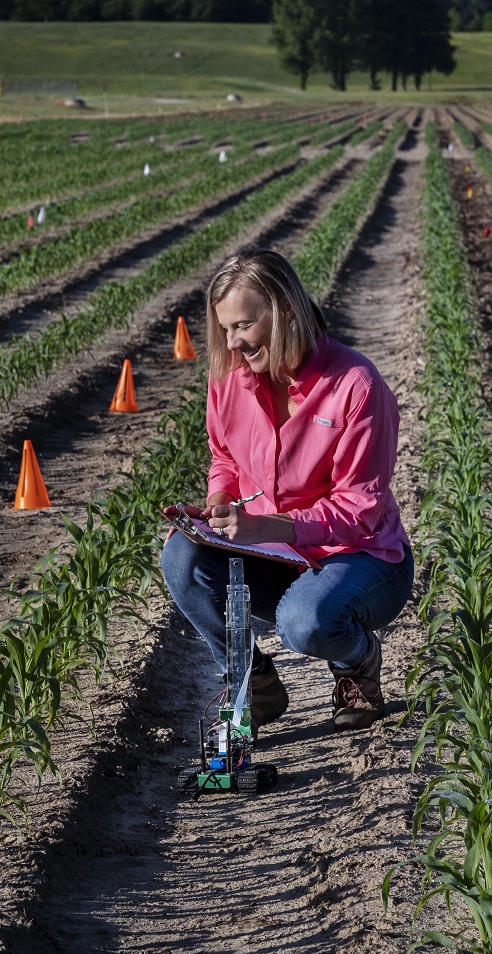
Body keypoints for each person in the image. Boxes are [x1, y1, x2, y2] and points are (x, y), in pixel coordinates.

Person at [160, 249, 414, 732]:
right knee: (181, 559)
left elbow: (360, 510)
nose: (232, 343)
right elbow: (226, 458)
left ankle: (358, 660)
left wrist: (265, 526)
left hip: (360, 558)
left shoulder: (356, 387)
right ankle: (254, 684)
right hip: (276, 551)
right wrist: (219, 502)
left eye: (243, 326)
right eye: (225, 329)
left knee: (307, 622)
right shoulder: (230, 381)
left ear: (286, 312)